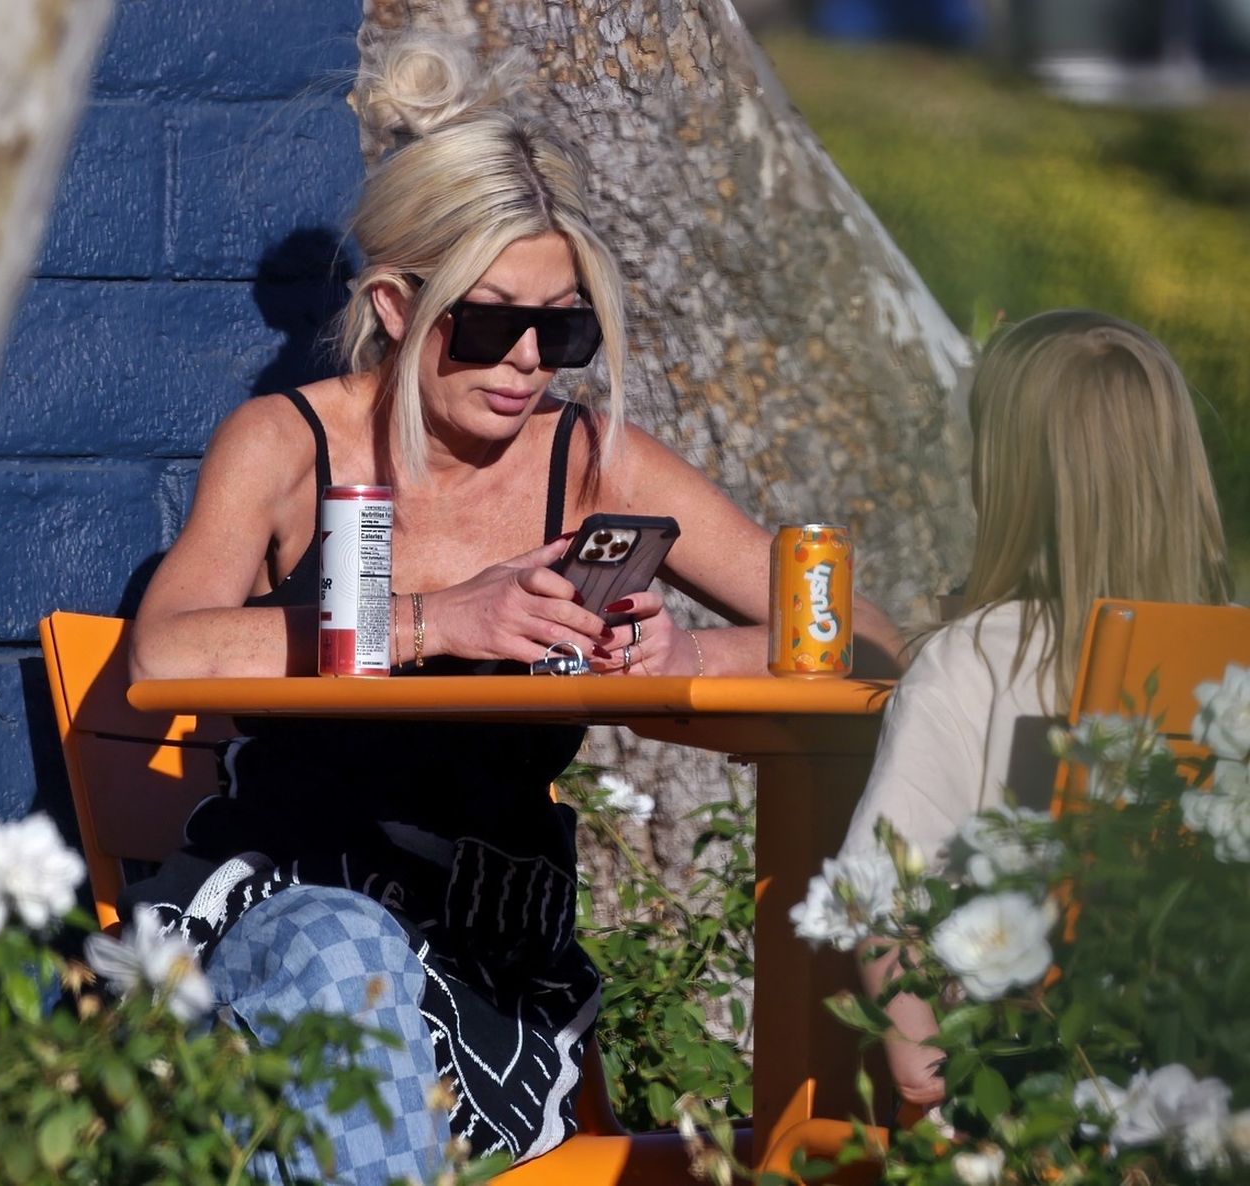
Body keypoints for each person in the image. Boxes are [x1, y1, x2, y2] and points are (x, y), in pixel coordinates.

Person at [126, 34, 902, 1182]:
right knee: (346, 962)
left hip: (490, 965)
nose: (530, 361)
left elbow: (861, 636)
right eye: (490, 324)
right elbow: (167, 652)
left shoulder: (587, 460)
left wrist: (679, 655)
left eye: (564, 328)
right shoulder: (290, 445)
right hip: (292, 913)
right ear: (397, 306)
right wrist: (440, 620)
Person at [838, 308, 1234, 1110]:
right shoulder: (1233, 658)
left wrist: (930, 1080)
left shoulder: (975, 660)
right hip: (1203, 1081)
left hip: (1027, 1084)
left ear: (1005, 478)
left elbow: (870, 892)